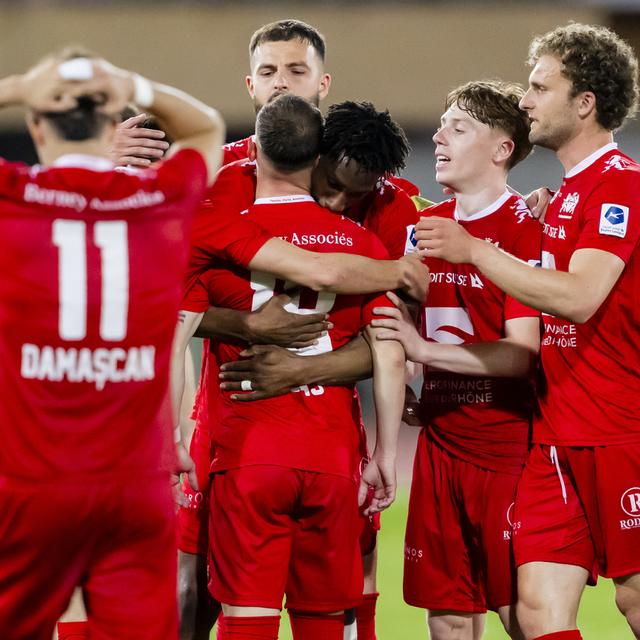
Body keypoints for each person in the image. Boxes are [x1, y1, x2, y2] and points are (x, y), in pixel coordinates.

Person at [415, 23, 640, 640]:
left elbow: (580, 298)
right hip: (556, 434)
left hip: (622, 430)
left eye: (541, 88)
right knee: (537, 609)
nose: (526, 101)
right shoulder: (566, 196)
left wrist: (474, 250)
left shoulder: (619, 182)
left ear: (585, 102)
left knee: (635, 599)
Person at [0, 48, 227, 640]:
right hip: (133, 485)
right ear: (110, 125)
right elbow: (205, 126)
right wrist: (130, 84)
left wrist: (24, 84)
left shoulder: (12, 199)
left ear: (34, 124)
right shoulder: (160, 202)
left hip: (33, 480)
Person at [175, 94, 406, 640]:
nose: (340, 199)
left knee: (245, 618)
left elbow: (169, 328)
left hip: (248, 453)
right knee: (325, 622)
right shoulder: (367, 249)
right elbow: (392, 349)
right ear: (317, 155)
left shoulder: (226, 226)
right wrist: (386, 455)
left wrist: (171, 435)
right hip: (331, 455)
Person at [369, 80, 540, 640]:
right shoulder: (422, 227)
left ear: (502, 149)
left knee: (524, 616)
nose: (438, 136)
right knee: (446, 618)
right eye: (442, 124)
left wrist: (423, 350)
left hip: (508, 452)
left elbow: (521, 354)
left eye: (458, 127)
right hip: (441, 448)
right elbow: (412, 320)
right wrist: (419, 375)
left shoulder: (524, 227)